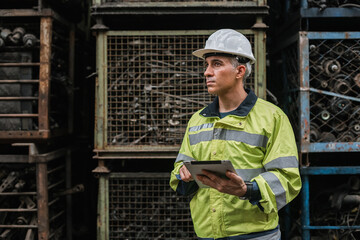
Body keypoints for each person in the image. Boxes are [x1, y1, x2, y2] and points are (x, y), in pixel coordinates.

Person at [169, 29, 302, 240]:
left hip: (256, 236)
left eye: (217, 64)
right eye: (207, 64)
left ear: (239, 71)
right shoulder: (198, 120)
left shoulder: (272, 118)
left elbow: (287, 178)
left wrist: (247, 190)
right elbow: (179, 170)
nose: (207, 72)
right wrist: (184, 175)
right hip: (207, 235)